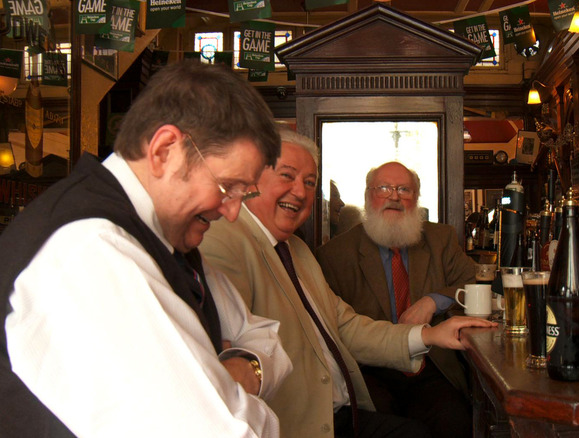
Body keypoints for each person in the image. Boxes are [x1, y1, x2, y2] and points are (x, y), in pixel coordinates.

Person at [0, 61, 293, 438]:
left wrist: (238, 374)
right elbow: (220, 431)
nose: (233, 212)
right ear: (164, 150)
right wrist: (228, 391)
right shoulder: (93, 248)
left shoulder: (167, 242)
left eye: (242, 193)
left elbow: (265, 338)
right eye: (227, 187)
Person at [200, 130, 494, 438]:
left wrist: (429, 331)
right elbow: (221, 362)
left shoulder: (297, 250)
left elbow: (345, 326)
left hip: (379, 388)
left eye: (309, 182)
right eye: (287, 175)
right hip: (307, 414)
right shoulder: (227, 239)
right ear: (252, 180)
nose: (299, 191)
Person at [314, 161, 476, 438]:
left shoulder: (441, 238)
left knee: (454, 419)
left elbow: (474, 282)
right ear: (368, 197)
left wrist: (433, 301)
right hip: (371, 369)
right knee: (387, 424)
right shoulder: (335, 255)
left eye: (404, 190)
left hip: (430, 363)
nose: (394, 197)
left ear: (416, 198)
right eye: (384, 188)